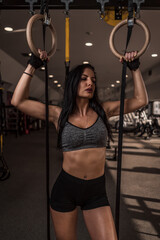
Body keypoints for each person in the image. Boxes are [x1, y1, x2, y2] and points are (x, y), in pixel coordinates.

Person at [11, 49, 148, 240]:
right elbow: (18, 100)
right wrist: (32, 65)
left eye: (92, 79)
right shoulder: (58, 114)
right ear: (74, 83)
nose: (90, 83)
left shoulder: (104, 110)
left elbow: (141, 100)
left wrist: (135, 68)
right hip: (66, 189)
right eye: (84, 79)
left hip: (96, 192)